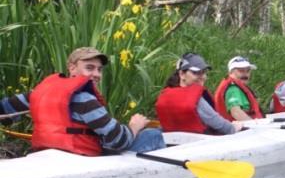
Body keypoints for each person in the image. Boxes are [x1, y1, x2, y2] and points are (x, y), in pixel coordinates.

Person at [0, 47, 164, 155]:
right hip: (79, 158)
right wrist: (134, 127)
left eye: (99, 69)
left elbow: (4, 110)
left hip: (45, 155)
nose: (97, 74)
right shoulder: (85, 100)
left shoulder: (38, 93)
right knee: (153, 135)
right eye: (89, 67)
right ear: (72, 68)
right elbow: (119, 141)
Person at [155, 52, 247, 134]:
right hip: (197, 145)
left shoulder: (165, 95)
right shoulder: (194, 99)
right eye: (196, 73)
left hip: (173, 144)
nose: (203, 77)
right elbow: (220, 125)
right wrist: (234, 127)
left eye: (204, 73)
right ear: (182, 74)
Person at [213, 56, 264, 121]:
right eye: (241, 71)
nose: (245, 74)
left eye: (248, 71)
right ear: (230, 72)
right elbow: (236, 112)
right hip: (239, 130)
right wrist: (255, 126)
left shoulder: (238, 87)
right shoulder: (233, 89)